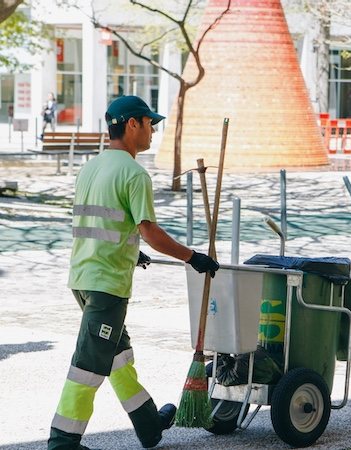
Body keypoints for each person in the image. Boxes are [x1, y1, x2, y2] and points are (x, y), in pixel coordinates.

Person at [48, 95, 220, 450]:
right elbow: (150, 231)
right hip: (107, 285)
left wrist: (130, 249)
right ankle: (62, 441)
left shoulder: (91, 168)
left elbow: (100, 223)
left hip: (82, 278)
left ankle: (148, 424)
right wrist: (193, 257)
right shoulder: (134, 173)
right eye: (149, 123)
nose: (153, 131)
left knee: (118, 357)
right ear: (132, 125)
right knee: (88, 365)